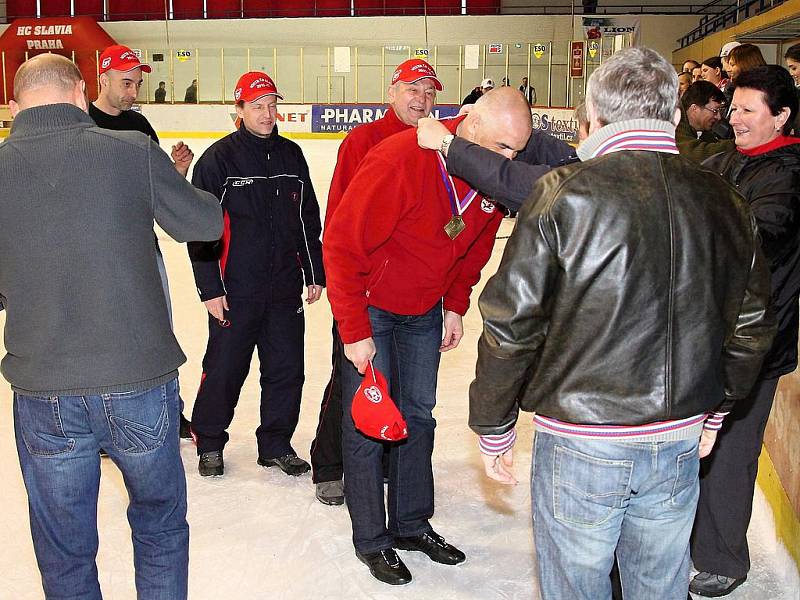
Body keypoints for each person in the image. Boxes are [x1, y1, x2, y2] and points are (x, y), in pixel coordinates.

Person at [468, 47, 775, 600]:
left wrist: (494, 423)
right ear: (675, 116)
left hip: (583, 441)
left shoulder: (563, 191)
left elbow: (511, 322)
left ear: (594, 116)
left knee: (576, 587)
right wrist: (718, 410)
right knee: (659, 585)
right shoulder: (726, 197)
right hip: (679, 432)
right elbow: (751, 325)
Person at [1, 54, 222, 600]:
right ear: (81, 94)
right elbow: (204, 222)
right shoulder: (129, 151)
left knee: (63, 546)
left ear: (13, 104)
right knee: (160, 525)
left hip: (43, 389)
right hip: (138, 380)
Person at [324, 86, 532, 586]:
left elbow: (475, 248)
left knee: (419, 415)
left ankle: (412, 523)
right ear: (470, 124)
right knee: (370, 423)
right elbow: (341, 244)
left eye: (516, 153)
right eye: (503, 148)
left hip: (424, 312)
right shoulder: (399, 160)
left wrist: (454, 305)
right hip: (371, 308)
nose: (507, 161)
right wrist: (353, 330)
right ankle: (372, 539)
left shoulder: (485, 178)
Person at [310, 58, 442, 506]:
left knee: (399, 387)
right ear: (391, 91)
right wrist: (350, 291)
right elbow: (342, 221)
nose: (421, 99)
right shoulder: (364, 141)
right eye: (412, 89)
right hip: (364, 295)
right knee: (350, 381)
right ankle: (329, 463)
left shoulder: (438, 146)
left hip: (410, 297)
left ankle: (389, 461)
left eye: (429, 93)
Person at [690, 65, 800, 599]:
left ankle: (723, 558)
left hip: (755, 342)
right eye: (731, 108)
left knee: (731, 450)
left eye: (747, 110)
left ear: (780, 116)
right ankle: (691, 540)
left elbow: (759, 236)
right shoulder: (725, 159)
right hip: (708, 333)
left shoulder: (788, 174)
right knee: (695, 445)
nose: (733, 118)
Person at [188, 71, 324, 478]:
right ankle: (210, 440)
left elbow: (307, 216)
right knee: (226, 368)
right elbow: (200, 229)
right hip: (235, 289)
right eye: (258, 106)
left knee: (286, 369)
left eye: (272, 105)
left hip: (283, 286)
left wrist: (314, 271)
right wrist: (210, 287)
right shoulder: (218, 160)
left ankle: (276, 443)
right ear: (240, 110)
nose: (268, 114)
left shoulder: (292, 155)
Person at [91, 44, 195, 438]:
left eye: (136, 83)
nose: (133, 92)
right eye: (126, 83)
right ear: (103, 78)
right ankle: (101, 426)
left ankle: (170, 411)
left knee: (158, 328)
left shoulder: (140, 128)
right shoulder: (82, 122)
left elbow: (158, 193)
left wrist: (177, 173)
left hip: (140, 248)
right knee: (100, 335)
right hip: (94, 254)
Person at [415, 112, 577, 213]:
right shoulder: (587, 162)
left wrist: (448, 144)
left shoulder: (589, 176)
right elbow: (540, 148)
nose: (509, 156)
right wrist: (488, 120)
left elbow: (515, 182)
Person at [676, 80, 735, 162]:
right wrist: (740, 143)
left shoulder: (700, 129)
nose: (719, 117)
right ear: (695, 109)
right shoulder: (673, 125)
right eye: (715, 111)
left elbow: (713, 144)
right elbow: (697, 153)